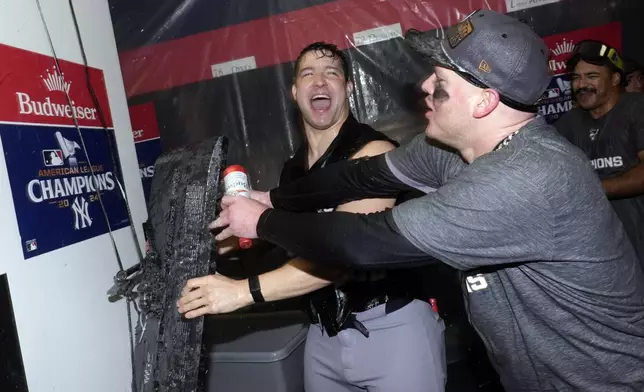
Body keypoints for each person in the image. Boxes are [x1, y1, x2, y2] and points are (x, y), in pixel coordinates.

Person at [211, 10, 644, 391]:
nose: (423, 86)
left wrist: (263, 221)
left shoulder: (525, 178)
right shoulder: (448, 150)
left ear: (483, 101)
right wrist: (272, 196)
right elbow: (360, 175)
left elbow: (364, 241)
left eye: (440, 82)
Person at [177, 42, 446, 392]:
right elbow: (284, 242)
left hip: (392, 329)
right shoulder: (293, 172)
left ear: (349, 87)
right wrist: (225, 246)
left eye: (331, 73)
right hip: (322, 335)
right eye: (308, 74)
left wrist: (241, 293)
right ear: (294, 92)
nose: (319, 82)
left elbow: (341, 256)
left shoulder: (373, 152)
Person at [555, 40, 644, 269]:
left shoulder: (637, 108)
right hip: (600, 249)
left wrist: (590, 189)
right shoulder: (567, 124)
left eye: (591, 76)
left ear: (615, 79)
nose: (581, 84)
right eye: (576, 78)